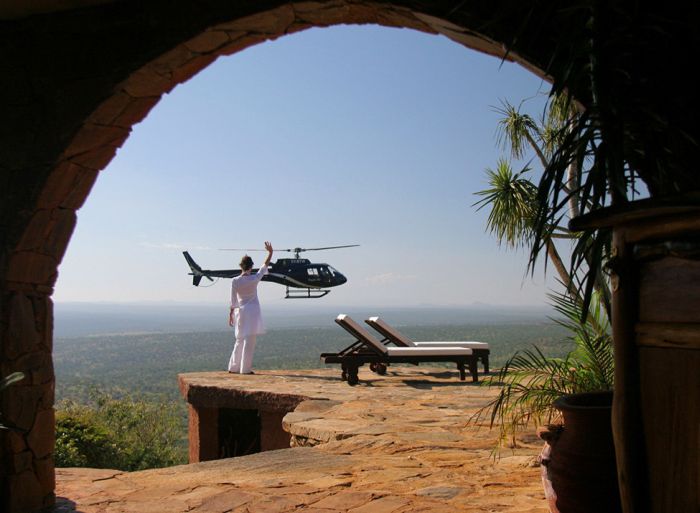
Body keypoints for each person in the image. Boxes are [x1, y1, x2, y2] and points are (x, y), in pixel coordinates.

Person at [227, 241, 273, 374]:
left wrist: (230, 314)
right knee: (249, 340)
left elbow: (233, 300)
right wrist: (270, 253)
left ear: (241, 266)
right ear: (251, 267)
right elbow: (264, 267)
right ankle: (245, 369)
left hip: (239, 311)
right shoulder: (254, 279)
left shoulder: (235, 281)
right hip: (252, 311)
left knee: (239, 339)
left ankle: (233, 367)